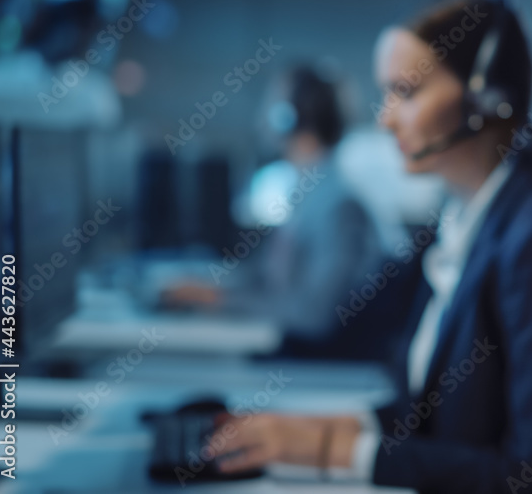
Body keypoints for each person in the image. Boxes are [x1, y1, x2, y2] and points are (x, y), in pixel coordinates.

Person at [211, 0, 532, 494]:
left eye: (405, 91)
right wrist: (293, 430)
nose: (385, 119)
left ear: (484, 97)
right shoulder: (460, 219)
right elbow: (423, 415)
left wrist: (327, 451)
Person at [164, 66, 385, 356]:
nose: (263, 116)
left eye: (273, 104)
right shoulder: (308, 191)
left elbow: (313, 314)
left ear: (288, 117)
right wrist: (211, 289)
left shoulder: (339, 204)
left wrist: (219, 299)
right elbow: (268, 279)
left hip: (312, 365)